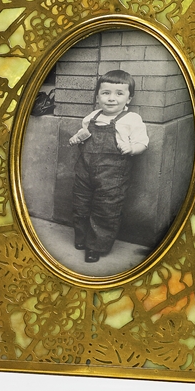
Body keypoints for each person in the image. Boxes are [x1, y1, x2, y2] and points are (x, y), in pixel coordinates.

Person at [69, 70, 149, 263]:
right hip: (84, 171)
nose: (111, 98)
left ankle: (95, 246)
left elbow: (143, 142)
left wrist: (132, 148)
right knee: (80, 205)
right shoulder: (91, 117)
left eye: (119, 94)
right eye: (106, 93)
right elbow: (84, 134)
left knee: (105, 210)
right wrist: (77, 137)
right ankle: (81, 238)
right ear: (97, 97)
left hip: (113, 175)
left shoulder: (131, 119)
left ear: (129, 98)